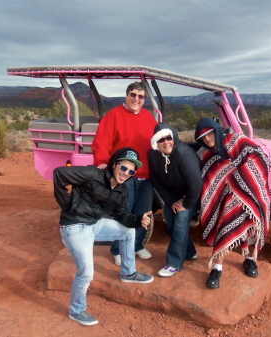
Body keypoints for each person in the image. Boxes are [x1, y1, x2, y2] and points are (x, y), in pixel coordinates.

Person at [53, 147, 154, 326]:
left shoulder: (122, 190)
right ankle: (76, 310)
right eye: (123, 168)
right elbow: (59, 173)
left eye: (131, 171)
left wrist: (139, 220)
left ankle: (128, 273)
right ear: (115, 164)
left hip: (95, 224)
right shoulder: (93, 174)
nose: (126, 173)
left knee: (128, 232)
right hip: (74, 226)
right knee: (86, 272)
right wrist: (67, 205)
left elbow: (123, 216)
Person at [194, 117, 271, 289]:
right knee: (224, 226)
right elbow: (208, 183)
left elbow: (260, 159)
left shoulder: (237, 140)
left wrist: (238, 181)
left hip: (251, 194)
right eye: (203, 137)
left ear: (217, 130)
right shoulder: (208, 156)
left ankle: (250, 259)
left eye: (210, 133)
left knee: (253, 225)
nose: (207, 139)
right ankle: (217, 268)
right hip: (225, 199)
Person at [92, 81, 158, 266]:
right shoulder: (114, 116)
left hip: (146, 175)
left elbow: (156, 143)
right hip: (125, 174)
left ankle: (136, 245)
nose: (136, 99)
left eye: (141, 96)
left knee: (144, 212)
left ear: (144, 99)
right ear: (127, 95)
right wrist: (102, 163)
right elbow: (102, 142)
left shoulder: (149, 118)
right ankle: (118, 250)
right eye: (133, 95)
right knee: (123, 212)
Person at [149, 123, 202, 277]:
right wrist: (171, 201)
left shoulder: (184, 154)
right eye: (161, 140)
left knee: (181, 219)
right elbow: (156, 180)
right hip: (174, 196)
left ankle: (174, 263)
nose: (166, 142)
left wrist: (185, 204)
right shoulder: (153, 155)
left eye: (168, 138)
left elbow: (196, 183)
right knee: (170, 220)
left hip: (194, 195)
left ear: (174, 138)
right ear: (156, 143)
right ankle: (190, 252)